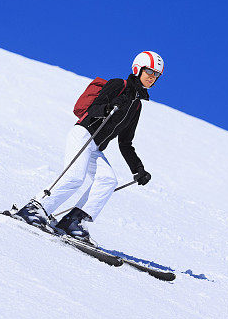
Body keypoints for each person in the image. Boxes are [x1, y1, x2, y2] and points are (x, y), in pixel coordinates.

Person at [15, 51, 164, 241]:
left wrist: (138, 169)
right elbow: (93, 108)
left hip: (95, 147)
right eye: (150, 72)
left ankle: (73, 221)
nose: (152, 77)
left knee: (108, 180)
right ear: (138, 68)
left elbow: (125, 142)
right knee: (75, 176)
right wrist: (108, 108)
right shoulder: (118, 85)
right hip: (83, 134)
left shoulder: (136, 106)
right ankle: (35, 209)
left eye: (156, 75)